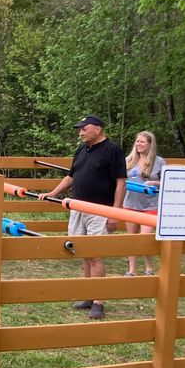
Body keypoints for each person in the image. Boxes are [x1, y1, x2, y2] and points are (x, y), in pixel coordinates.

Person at [39, 115, 126, 320]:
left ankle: (99, 302)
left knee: (95, 255)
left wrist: (115, 212)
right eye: (79, 129)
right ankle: (88, 295)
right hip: (78, 207)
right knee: (82, 252)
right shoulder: (81, 149)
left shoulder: (112, 150)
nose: (80, 132)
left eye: (83, 129)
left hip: (100, 210)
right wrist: (54, 193)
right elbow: (71, 176)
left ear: (97, 129)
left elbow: (121, 183)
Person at [122, 131, 165, 277]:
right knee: (132, 238)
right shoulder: (128, 160)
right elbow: (120, 180)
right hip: (130, 204)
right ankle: (132, 270)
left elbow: (168, 182)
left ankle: (148, 268)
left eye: (142, 142)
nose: (138, 144)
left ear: (150, 144)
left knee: (145, 238)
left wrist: (154, 183)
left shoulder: (159, 161)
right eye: (137, 141)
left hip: (150, 206)